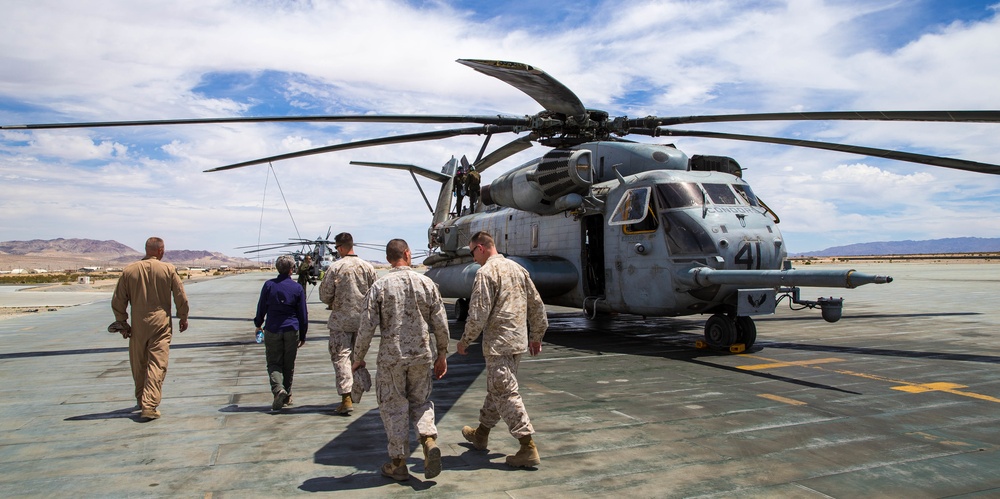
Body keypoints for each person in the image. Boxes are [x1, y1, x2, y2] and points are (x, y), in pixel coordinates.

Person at [353, 239, 449, 481]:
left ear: (388, 259)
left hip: (392, 359)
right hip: (421, 357)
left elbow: (366, 327)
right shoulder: (427, 284)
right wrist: (442, 354)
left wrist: (358, 358)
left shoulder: (379, 286)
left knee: (394, 407)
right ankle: (428, 441)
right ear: (407, 254)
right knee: (421, 402)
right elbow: (440, 323)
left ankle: (398, 464)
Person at [457, 231, 548, 468]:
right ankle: (481, 434)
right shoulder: (518, 269)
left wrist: (465, 340)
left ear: (480, 247)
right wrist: (536, 335)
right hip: (517, 342)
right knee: (497, 389)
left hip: (498, 344)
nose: (473, 258)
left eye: (472, 252)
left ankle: (527, 446)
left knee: (505, 393)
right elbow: (537, 305)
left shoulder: (486, 273)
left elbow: (478, 313)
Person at [111, 236, 190, 421]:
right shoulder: (168, 269)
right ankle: (149, 404)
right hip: (161, 325)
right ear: (161, 250)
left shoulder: (129, 270)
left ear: (147, 250)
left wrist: (122, 322)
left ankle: (141, 398)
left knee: (139, 363)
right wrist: (183, 317)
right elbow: (181, 296)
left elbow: (118, 300)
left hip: (138, 325)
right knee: (157, 364)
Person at [318, 232, 377, 415]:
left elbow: (324, 294)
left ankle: (346, 397)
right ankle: (358, 389)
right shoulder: (368, 267)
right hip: (362, 323)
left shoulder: (336, 267)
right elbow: (375, 293)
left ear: (341, 247)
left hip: (341, 322)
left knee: (341, 357)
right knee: (357, 357)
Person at [255, 254, 308, 411]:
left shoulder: (269, 285)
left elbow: (261, 308)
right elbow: (303, 314)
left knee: (273, 363)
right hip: (292, 330)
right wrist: (303, 334)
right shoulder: (297, 288)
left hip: (272, 329)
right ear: (292, 270)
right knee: (288, 364)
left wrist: (258, 324)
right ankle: (287, 395)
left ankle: (279, 390)